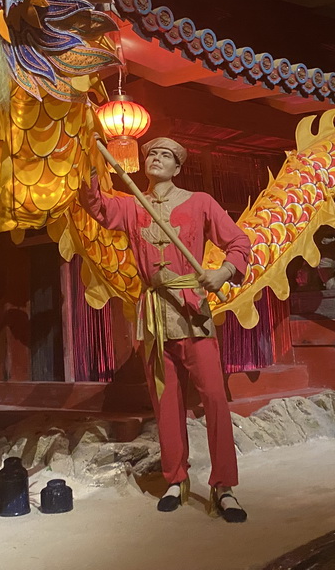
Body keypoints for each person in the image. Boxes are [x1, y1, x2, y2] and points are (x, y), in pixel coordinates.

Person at [81, 137, 252, 522]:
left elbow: (240, 242)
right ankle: (175, 478)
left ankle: (223, 486)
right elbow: (95, 205)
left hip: (192, 311)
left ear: (177, 168)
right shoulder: (130, 205)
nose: (156, 158)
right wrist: (90, 164)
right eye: (151, 154)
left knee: (213, 397)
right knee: (166, 400)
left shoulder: (200, 202)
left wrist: (222, 272)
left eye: (166, 155)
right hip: (154, 313)